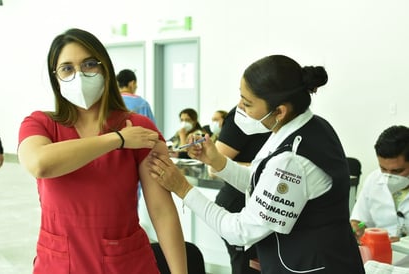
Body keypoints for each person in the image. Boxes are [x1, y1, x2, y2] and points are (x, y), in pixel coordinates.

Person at [149, 54, 365, 273]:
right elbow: (263, 181)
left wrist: (183, 189)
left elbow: (240, 230)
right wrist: (217, 161)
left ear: (279, 111)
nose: (239, 108)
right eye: (241, 98)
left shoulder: (292, 161)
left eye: (248, 103)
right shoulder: (304, 126)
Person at [17, 28, 187, 274]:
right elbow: (39, 163)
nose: (79, 75)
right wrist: (116, 140)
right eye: (67, 68)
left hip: (125, 263)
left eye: (88, 64)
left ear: (104, 68)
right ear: (56, 78)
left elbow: (161, 211)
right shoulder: (40, 124)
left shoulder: (138, 128)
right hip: (59, 263)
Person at [214, 106, 271, 274]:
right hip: (238, 203)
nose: (242, 104)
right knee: (245, 266)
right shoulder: (241, 117)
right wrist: (265, 170)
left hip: (261, 205)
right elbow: (215, 164)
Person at [351, 125, 409, 243]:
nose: (388, 176)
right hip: (380, 254)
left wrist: (403, 242)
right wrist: (359, 226)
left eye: (397, 171)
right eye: (383, 168)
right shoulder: (373, 180)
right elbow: (363, 221)